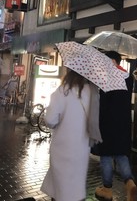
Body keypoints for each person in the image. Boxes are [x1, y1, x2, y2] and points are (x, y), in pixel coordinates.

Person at [41, 69, 92, 201]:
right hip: (82, 148)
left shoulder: (62, 91)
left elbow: (50, 120)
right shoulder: (91, 93)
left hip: (63, 148)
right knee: (76, 186)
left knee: (61, 187)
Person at [95, 51, 137, 201]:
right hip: (123, 122)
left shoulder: (108, 78)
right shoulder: (128, 77)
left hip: (107, 124)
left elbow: (103, 105)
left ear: (112, 61)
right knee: (121, 154)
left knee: (106, 156)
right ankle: (130, 182)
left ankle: (107, 189)